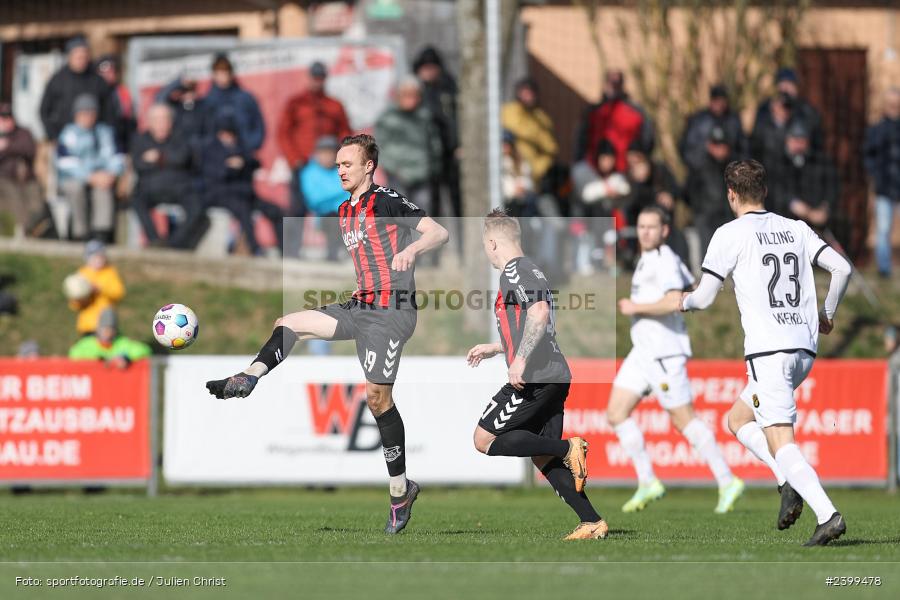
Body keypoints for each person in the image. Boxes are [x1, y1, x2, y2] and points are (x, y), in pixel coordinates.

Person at [205, 134, 449, 534]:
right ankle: (248, 377)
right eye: (337, 164)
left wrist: (413, 250)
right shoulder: (343, 211)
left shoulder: (387, 199)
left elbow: (438, 232)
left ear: (368, 166)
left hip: (392, 312)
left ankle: (399, 491)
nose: (339, 170)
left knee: (377, 399)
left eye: (347, 164)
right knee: (289, 323)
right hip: (361, 306)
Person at [681, 159, 852, 546]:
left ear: (731, 194)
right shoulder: (796, 227)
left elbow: (706, 297)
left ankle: (828, 515)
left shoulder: (730, 233)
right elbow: (841, 268)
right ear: (766, 192)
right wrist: (826, 314)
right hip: (803, 349)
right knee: (737, 420)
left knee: (781, 440)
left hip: (770, 351)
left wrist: (684, 302)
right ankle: (786, 481)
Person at [467, 209, 607, 540]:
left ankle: (568, 448)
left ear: (492, 242)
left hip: (537, 375)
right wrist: (499, 348)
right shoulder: (532, 270)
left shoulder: (514, 271)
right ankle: (591, 520)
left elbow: (539, 313)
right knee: (541, 454)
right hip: (553, 373)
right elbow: (536, 323)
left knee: (484, 440)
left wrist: (520, 361)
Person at [609, 205, 744, 514]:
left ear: (664, 231)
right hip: (642, 352)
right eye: (641, 226)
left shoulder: (665, 260)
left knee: (684, 420)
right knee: (616, 412)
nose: (644, 232)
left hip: (664, 353)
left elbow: (674, 301)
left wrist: (636, 308)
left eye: (651, 227)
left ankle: (727, 480)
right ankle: (647, 482)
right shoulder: (647, 260)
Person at [131, 103, 205, 249]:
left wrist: (158, 157)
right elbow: (138, 164)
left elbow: (183, 158)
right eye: (156, 120)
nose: (160, 124)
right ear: (150, 122)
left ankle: (173, 243)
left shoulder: (181, 136)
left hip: (179, 187)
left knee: (197, 208)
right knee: (136, 200)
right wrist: (168, 160)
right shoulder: (141, 139)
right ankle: (154, 240)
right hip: (150, 188)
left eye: (164, 119)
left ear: (171, 121)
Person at [200, 111, 271, 255]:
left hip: (244, 194)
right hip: (221, 194)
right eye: (224, 133)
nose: (227, 137)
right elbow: (211, 174)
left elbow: (256, 162)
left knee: (275, 211)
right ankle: (254, 248)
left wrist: (242, 163)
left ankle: (285, 252)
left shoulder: (241, 147)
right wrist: (228, 167)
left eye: (230, 133)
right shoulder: (210, 148)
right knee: (244, 210)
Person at [56, 94, 125, 242]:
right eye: (84, 113)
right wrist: (90, 177)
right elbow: (66, 163)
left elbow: (116, 157)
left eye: (91, 112)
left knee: (103, 189)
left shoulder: (105, 132)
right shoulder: (69, 134)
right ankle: (80, 233)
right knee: (75, 189)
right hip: (75, 177)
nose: (88, 117)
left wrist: (111, 174)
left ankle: (101, 233)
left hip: (102, 175)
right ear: (76, 114)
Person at [375, 77, 443, 215]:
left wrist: (433, 168)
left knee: (422, 215)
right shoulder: (388, 118)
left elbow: (434, 144)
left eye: (414, 95)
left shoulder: (424, 117)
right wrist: (394, 169)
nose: (410, 100)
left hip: (422, 175)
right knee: (399, 215)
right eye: (406, 95)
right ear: (398, 96)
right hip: (398, 176)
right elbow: (379, 147)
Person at [574, 69, 654, 172]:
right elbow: (581, 140)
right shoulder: (592, 112)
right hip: (596, 171)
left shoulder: (637, 113)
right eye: (611, 83)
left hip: (627, 172)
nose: (614, 87)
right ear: (605, 84)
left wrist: (640, 164)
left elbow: (647, 140)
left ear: (622, 85)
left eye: (617, 83)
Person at [277, 61, 351, 170]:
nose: (317, 81)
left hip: (331, 164)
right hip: (302, 163)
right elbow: (284, 133)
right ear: (309, 77)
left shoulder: (335, 105)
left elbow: (345, 132)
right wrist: (294, 158)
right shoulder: (296, 103)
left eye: (321, 77)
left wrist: (341, 155)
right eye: (315, 77)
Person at [39, 35, 112, 142]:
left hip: (94, 138)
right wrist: (53, 135)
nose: (81, 60)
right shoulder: (58, 80)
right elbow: (44, 110)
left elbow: (109, 111)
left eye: (84, 56)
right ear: (70, 56)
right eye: (78, 57)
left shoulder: (97, 81)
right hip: (64, 137)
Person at [768, 121, 839, 228]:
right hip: (786, 221)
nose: (798, 145)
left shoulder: (820, 161)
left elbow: (832, 186)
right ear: (787, 140)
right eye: (795, 140)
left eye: (802, 141)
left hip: (817, 222)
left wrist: (825, 208)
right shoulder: (777, 162)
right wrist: (792, 203)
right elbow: (774, 188)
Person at [863, 87, 900, 278]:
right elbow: (868, 156)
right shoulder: (877, 130)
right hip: (884, 187)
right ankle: (884, 269)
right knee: (883, 229)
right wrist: (875, 177)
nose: (894, 107)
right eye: (891, 103)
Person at [684, 125, 737, 255]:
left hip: (729, 216)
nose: (719, 149)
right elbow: (688, 192)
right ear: (709, 145)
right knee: (709, 257)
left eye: (722, 145)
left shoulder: (736, 167)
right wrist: (700, 211)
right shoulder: (699, 166)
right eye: (716, 145)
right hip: (706, 219)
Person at [202, 54, 265, 154]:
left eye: (226, 71)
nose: (223, 76)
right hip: (217, 158)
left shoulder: (245, 98)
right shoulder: (207, 102)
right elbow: (203, 131)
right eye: (220, 72)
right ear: (214, 74)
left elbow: (258, 124)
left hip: (245, 155)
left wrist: (251, 144)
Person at [501, 78, 558, 187]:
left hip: (527, 174)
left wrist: (536, 170)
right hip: (505, 169)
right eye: (524, 92)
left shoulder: (541, 120)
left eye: (530, 93)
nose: (527, 97)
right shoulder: (507, 112)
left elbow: (551, 150)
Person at [679, 84, 749, 172]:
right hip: (702, 175)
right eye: (717, 101)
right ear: (711, 101)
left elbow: (744, 148)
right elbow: (687, 149)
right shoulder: (699, 120)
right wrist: (708, 148)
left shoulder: (733, 120)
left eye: (722, 101)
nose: (719, 105)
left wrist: (728, 153)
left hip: (729, 172)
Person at [0, 102, 44, 237]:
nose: (6, 121)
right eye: (3, 118)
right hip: (5, 179)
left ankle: (29, 231)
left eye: (9, 117)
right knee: (15, 200)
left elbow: (29, 149)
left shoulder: (23, 132)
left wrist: (7, 147)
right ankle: (21, 231)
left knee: (38, 208)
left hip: (27, 179)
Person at [299, 135, 346, 261]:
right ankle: (333, 255)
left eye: (330, 153)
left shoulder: (344, 169)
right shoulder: (309, 172)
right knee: (333, 218)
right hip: (323, 216)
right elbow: (314, 200)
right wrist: (340, 191)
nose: (327, 157)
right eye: (323, 153)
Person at [68, 240, 126, 336]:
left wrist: (101, 289)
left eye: (101, 256)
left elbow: (119, 293)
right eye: (95, 257)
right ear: (88, 258)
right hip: (88, 325)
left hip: (107, 325)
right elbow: (74, 304)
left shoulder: (110, 272)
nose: (99, 260)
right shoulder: (82, 274)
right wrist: (83, 296)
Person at [69, 308, 151, 368]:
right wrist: (100, 360)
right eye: (104, 328)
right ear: (98, 329)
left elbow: (145, 350)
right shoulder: (87, 343)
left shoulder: (122, 343)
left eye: (111, 329)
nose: (107, 332)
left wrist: (125, 357)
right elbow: (74, 354)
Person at [96, 55, 136, 153]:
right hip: (99, 140)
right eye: (105, 72)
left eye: (112, 71)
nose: (109, 74)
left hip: (121, 140)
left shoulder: (121, 91)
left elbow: (129, 118)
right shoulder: (94, 92)